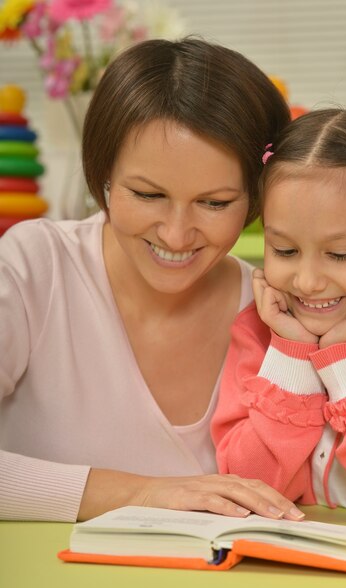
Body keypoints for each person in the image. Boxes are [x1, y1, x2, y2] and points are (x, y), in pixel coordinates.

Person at [0, 37, 306, 523]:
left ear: (255, 200)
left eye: (214, 203)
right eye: (147, 194)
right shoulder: (38, 268)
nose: (176, 234)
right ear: (102, 176)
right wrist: (139, 493)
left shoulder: (280, 311)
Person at [211, 107, 346, 521]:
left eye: (339, 254)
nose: (306, 282)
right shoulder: (258, 329)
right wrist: (291, 354)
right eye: (284, 250)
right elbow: (245, 490)